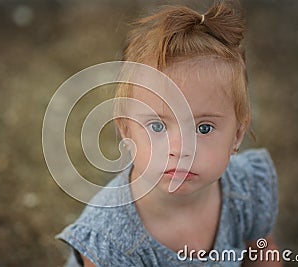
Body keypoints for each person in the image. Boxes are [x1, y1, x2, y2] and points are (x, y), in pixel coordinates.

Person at [57, 2, 280, 266]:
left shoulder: (247, 188)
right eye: (157, 126)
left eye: (203, 128)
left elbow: (263, 254)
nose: (180, 148)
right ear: (126, 131)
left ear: (237, 135)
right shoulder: (109, 240)